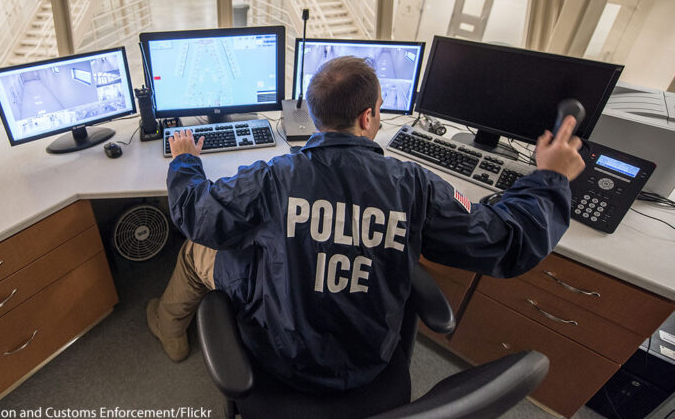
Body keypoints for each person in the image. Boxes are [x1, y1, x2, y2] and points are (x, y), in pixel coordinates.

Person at [146, 56, 584, 391]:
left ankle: (168, 326)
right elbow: (508, 241)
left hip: (281, 357)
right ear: (369, 117)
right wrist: (550, 179)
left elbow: (194, 213)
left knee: (194, 251)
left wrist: (186, 160)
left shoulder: (274, 176)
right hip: (372, 362)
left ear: (315, 117)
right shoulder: (414, 185)